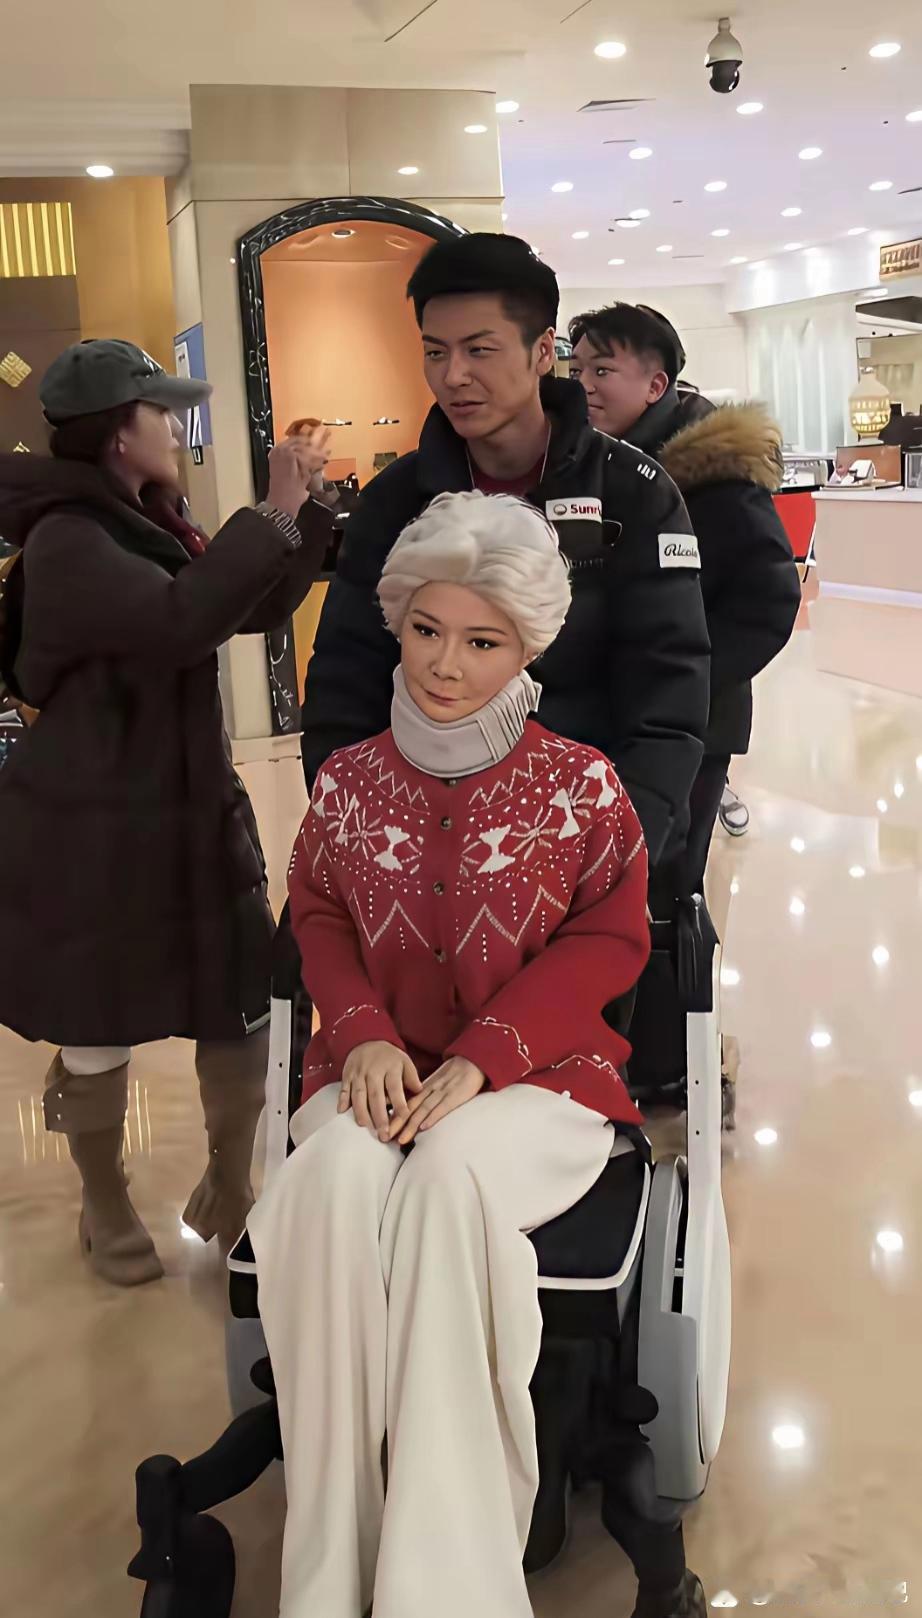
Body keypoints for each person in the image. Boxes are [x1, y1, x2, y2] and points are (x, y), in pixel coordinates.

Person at [249, 489, 705, 1618]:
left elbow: (609, 937)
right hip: (375, 1073)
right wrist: (360, 1033)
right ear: (397, 622)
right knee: (331, 1184)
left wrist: (487, 1056)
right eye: (426, 630)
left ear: (528, 646)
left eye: (482, 641)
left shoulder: (580, 786)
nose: (446, 665)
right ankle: (328, 1573)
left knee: (447, 1183)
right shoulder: (348, 783)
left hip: (544, 1087)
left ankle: (443, 1586)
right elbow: (319, 915)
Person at [0, 338, 332, 1285]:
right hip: (92, 820)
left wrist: (301, 517)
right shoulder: (69, 538)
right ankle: (103, 1201)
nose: (178, 429)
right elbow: (177, 623)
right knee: (97, 1020)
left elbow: (241, 611)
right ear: (118, 433)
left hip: (188, 804)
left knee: (239, 1005)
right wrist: (270, 513)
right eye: (163, 413)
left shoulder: (151, 519)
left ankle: (229, 1182)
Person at [300, 233, 710, 874]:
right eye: (435, 352)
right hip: (424, 850)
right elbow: (344, 684)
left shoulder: (633, 493)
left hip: (585, 838)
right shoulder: (395, 503)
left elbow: (669, 696)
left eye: (479, 350)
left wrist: (610, 862)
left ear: (543, 351)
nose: (453, 375)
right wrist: (363, 838)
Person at [569, 303, 800, 895]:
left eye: (602, 371)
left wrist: (682, 684)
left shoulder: (713, 472)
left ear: (656, 385)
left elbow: (770, 599)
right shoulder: (591, 464)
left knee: (666, 882)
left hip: (695, 725)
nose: (583, 385)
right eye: (576, 371)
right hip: (601, 714)